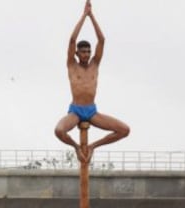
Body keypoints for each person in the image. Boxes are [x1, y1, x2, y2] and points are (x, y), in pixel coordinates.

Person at [54, 1, 129, 163]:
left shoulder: (95, 64)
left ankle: (93, 146)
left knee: (124, 130)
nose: (87, 54)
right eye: (83, 52)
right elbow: (72, 40)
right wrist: (83, 16)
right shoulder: (72, 65)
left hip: (92, 111)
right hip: (76, 111)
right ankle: (76, 147)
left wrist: (92, 16)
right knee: (59, 130)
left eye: (88, 51)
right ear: (77, 53)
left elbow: (101, 40)